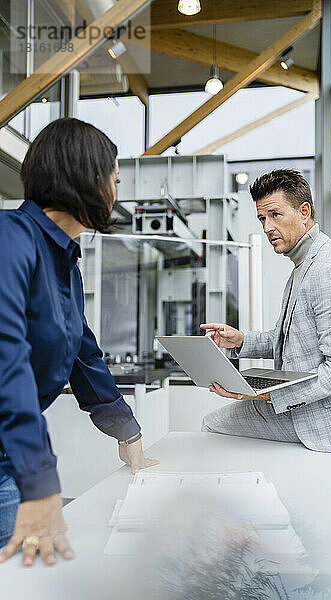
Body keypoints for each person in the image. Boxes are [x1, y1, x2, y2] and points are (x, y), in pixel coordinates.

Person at [0, 118, 159, 568]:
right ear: (87, 179)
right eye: (113, 177)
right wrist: (42, 483)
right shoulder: (10, 239)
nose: (116, 189)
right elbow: (5, 364)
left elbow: (83, 353)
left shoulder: (65, 261)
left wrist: (127, 433)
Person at [201, 169, 331, 453]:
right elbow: (286, 340)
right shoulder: (303, 268)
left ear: (304, 212)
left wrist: (263, 396)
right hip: (309, 405)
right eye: (262, 218)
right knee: (214, 423)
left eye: (275, 215)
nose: (266, 227)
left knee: (212, 425)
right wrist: (239, 340)